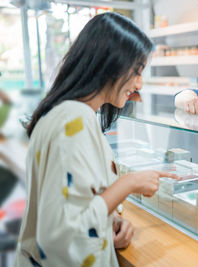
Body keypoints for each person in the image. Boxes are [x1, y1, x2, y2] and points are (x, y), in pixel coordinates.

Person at [15, 12, 179, 267]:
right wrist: (129, 183)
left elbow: (74, 204)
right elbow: (59, 233)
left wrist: (110, 223)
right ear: (110, 65)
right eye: (136, 71)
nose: (139, 83)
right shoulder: (74, 119)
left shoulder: (65, 113)